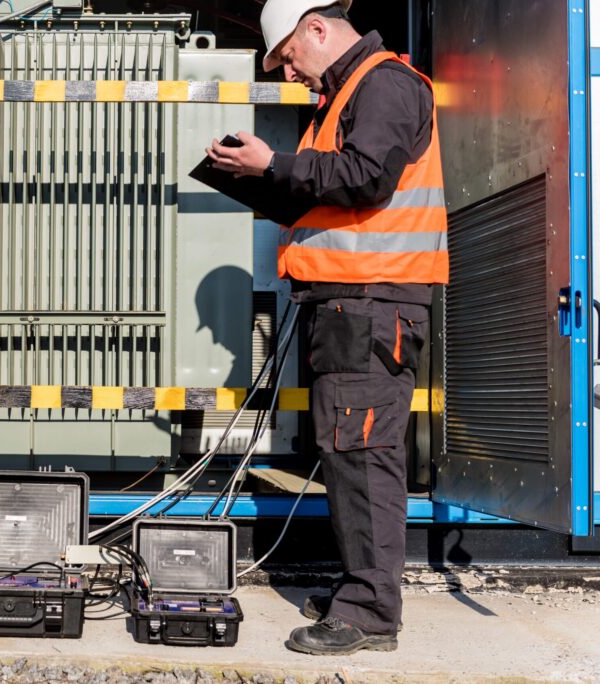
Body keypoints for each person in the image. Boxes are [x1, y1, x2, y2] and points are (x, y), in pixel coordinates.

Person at [206, 0, 448, 656]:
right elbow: (342, 190)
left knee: (364, 454)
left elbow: (369, 177)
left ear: (316, 28)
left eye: (289, 57)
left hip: (372, 304)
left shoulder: (386, 84)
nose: (290, 74)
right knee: (348, 451)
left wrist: (273, 167)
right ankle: (361, 590)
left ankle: (369, 613)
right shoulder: (350, 94)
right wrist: (271, 183)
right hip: (349, 304)